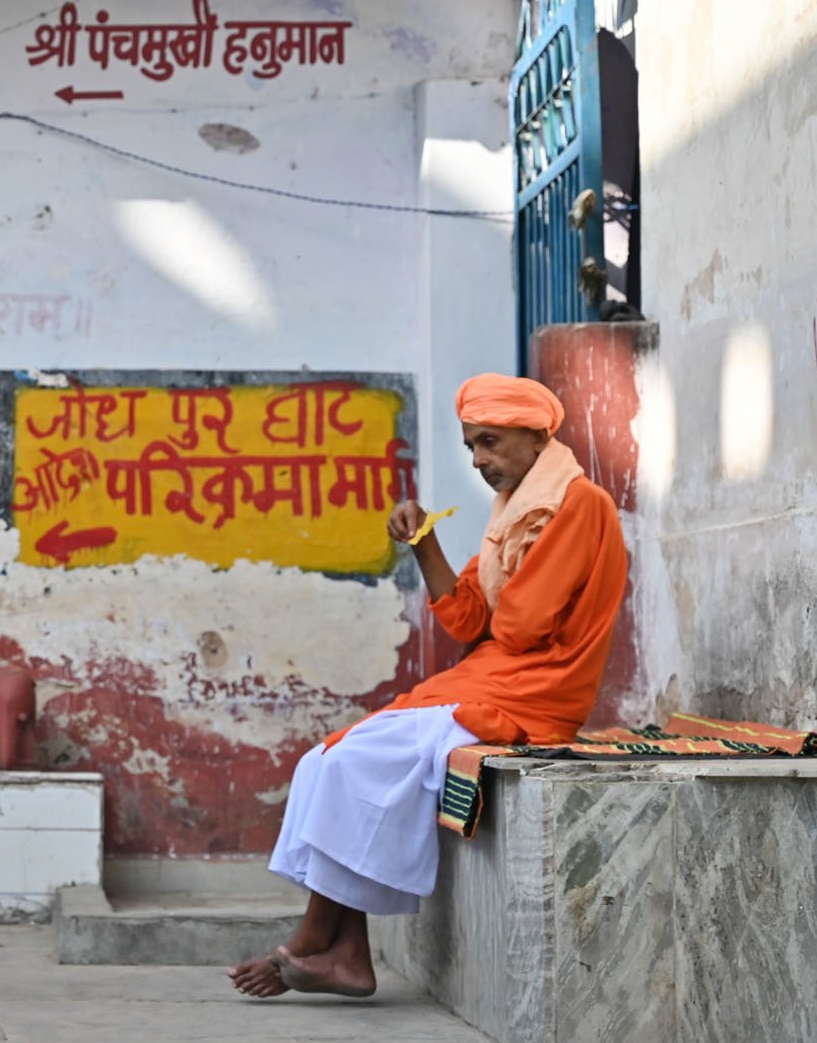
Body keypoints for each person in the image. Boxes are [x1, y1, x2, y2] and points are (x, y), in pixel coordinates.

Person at [230, 373, 627, 1001]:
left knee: (351, 761)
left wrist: (505, 582)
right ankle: (349, 951)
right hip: (493, 679)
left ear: (536, 435)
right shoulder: (519, 510)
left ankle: (311, 942)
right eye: (472, 446)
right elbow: (471, 618)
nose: (480, 461)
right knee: (325, 759)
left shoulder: (578, 505)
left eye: (491, 443)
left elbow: (521, 630)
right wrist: (422, 542)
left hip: (533, 695)